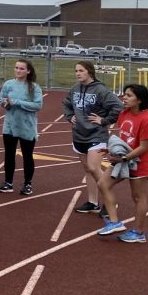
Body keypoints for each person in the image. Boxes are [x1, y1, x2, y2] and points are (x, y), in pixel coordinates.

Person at [96, 84, 148, 242]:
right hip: (122, 159)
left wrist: (123, 158)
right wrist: (111, 150)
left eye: (129, 95)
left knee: (138, 197)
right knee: (103, 183)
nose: (124, 97)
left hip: (139, 163)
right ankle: (115, 222)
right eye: (124, 94)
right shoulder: (124, 113)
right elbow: (123, 138)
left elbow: (144, 147)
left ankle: (138, 233)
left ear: (140, 100)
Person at [62, 61, 123, 214]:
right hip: (79, 135)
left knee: (94, 167)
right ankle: (93, 202)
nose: (78, 73)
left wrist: (104, 121)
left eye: (81, 70)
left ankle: (110, 203)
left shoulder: (101, 90)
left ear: (89, 71)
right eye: (76, 70)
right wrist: (70, 116)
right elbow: (67, 104)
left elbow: (118, 107)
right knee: (88, 170)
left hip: (97, 135)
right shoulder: (75, 89)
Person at [0, 59, 43, 196]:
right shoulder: (8, 84)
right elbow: (0, 98)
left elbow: (38, 105)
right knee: (9, 155)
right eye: (16, 68)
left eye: (22, 68)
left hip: (27, 127)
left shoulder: (34, 87)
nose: (18, 70)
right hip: (10, 126)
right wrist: (4, 103)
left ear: (28, 71)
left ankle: (28, 183)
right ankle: (8, 182)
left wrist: (16, 102)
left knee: (27, 156)